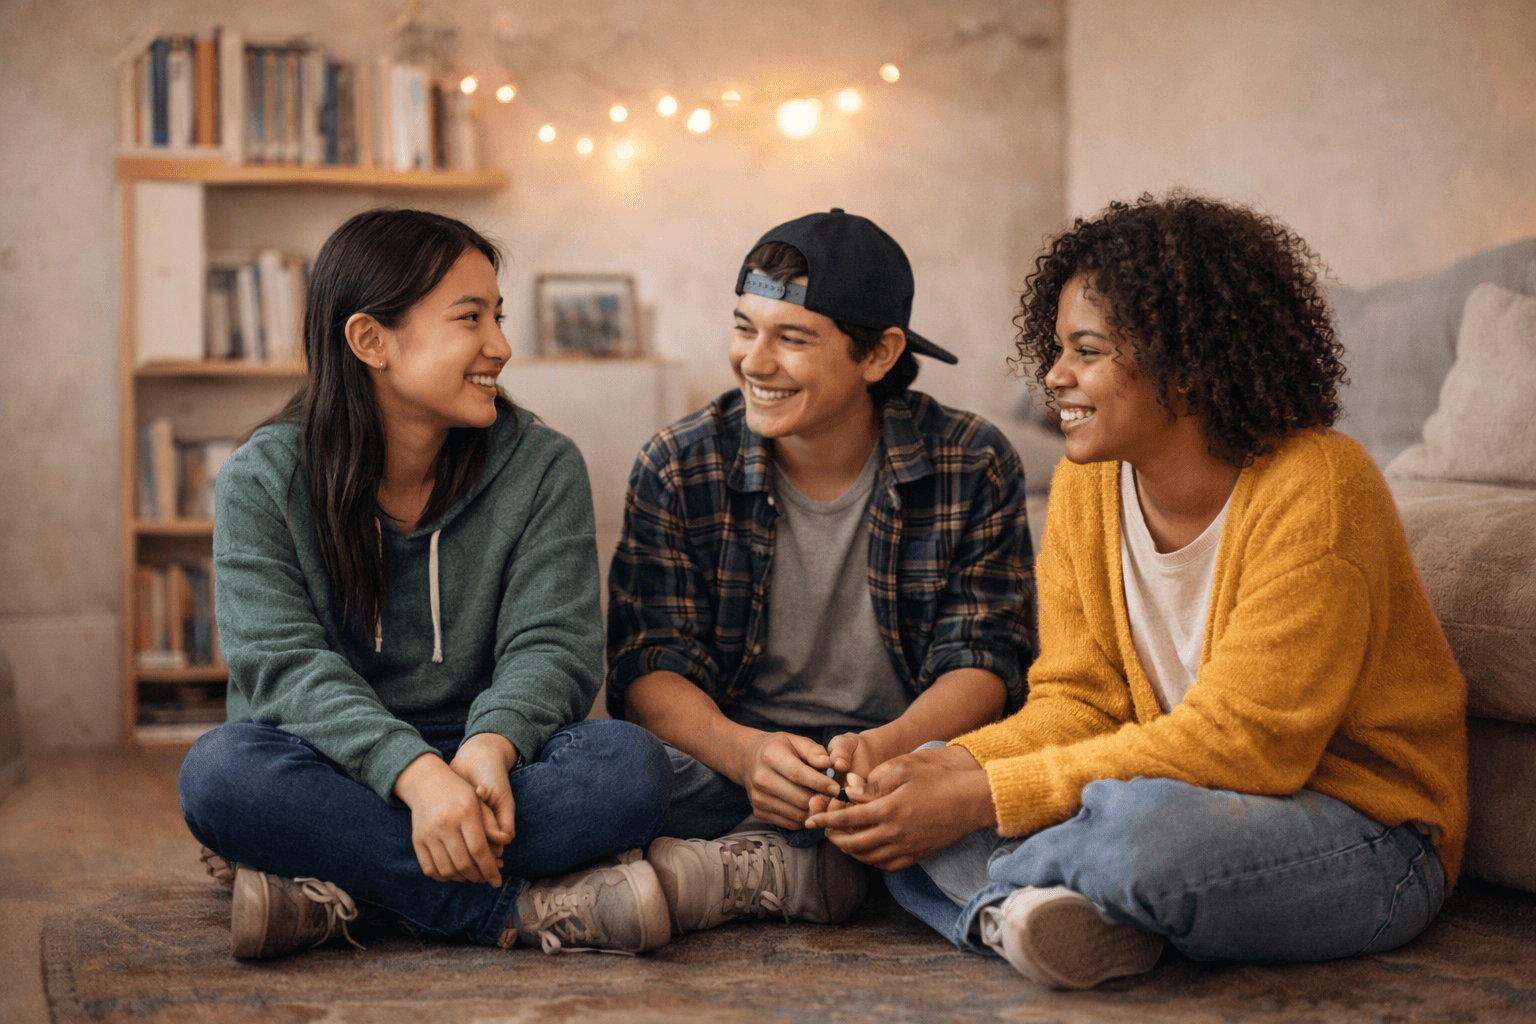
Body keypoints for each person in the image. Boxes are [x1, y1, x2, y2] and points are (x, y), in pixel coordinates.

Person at [804, 193, 1469, 988]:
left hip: (1361, 833)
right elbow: (1077, 702)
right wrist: (942, 768)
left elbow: (1248, 747)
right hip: (1166, 792)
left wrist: (980, 796)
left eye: (1086, 349)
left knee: (1135, 834)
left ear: (1185, 360)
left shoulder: (1320, 487)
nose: (1054, 376)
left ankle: (1022, 896)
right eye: (1056, 349)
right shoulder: (1089, 489)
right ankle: (1035, 919)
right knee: (914, 790)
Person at [179, 209, 675, 960]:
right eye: (470, 319)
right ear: (370, 340)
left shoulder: (542, 467)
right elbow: (280, 665)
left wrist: (488, 748)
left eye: (498, 317)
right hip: (331, 761)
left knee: (629, 768)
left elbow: (557, 646)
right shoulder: (262, 480)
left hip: (490, 763)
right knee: (220, 776)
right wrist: (411, 775)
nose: (501, 347)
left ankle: (339, 891)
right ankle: (514, 913)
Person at [605, 209, 1037, 935]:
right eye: (745, 328)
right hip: (734, 754)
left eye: (792, 338)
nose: (754, 361)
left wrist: (882, 750)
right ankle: (823, 865)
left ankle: (991, 907)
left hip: (904, 751)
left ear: (878, 354)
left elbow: (985, 661)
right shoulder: (680, 461)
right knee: (615, 770)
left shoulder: (972, 458)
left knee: (976, 779)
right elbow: (649, 663)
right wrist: (747, 756)